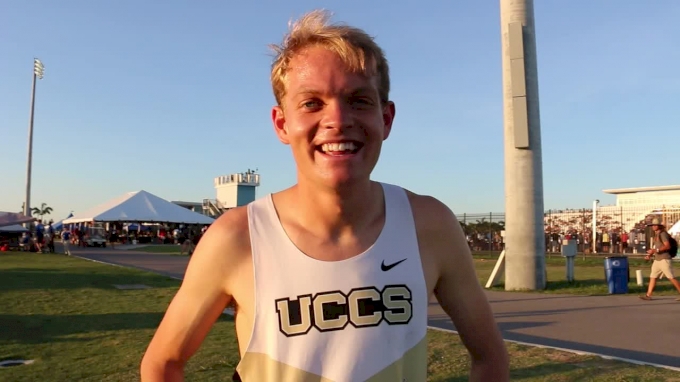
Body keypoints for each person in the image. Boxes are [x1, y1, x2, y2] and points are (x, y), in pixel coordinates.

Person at [141, 10, 509, 381]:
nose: (337, 119)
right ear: (282, 123)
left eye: (359, 100)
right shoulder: (237, 237)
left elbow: (490, 357)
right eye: (311, 103)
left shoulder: (428, 224)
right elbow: (163, 363)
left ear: (386, 119)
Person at [639, 218, 680, 301]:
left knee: (671, 277)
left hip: (664, 259)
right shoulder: (656, 235)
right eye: (652, 225)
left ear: (659, 226)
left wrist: (655, 251)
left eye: (655, 225)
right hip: (657, 259)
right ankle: (648, 295)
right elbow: (656, 247)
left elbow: (667, 246)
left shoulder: (663, 234)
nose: (653, 227)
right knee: (653, 277)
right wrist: (650, 254)